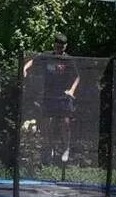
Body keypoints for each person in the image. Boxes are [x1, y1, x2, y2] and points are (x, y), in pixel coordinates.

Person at [23, 33, 80, 168]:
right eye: (58, 46)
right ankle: (51, 148)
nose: (60, 48)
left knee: (65, 122)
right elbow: (33, 61)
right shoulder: (48, 55)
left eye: (62, 47)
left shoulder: (68, 60)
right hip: (49, 95)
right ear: (54, 44)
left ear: (65, 47)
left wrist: (72, 91)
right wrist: (25, 68)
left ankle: (66, 147)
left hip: (64, 95)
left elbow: (77, 77)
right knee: (47, 123)